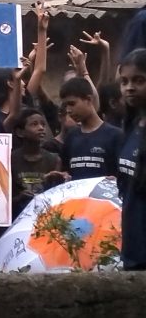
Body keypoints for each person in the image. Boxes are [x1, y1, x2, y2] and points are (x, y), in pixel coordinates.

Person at [56, 77, 122, 181]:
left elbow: (123, 176)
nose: (68, 110)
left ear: (88, 100)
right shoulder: (71, 137)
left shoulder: (115, 135)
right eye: (66, 106)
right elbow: (65, 171)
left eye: (72, 104)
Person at [117, 48, 146, 270]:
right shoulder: (131, 126)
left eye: (139, 80)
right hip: (132, 251)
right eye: (124, 81)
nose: (130, 88)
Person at [10, 108, 60, 217]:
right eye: (34, 124)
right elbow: (3, 200)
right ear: (20, 132)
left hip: (44, 217)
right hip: (17, 217)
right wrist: (19, 198)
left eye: (43, 124)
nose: (41, 128)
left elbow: (57, 196)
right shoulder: (10, 159)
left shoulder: (53, 159)